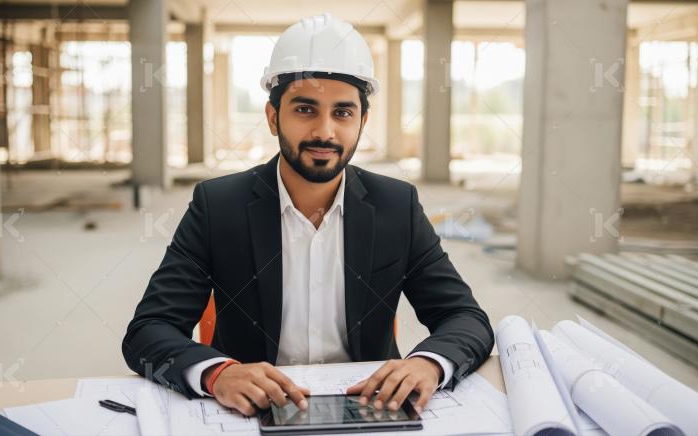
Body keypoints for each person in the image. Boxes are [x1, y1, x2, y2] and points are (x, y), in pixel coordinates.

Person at [122, 12, 494, 417]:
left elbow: (464, 317)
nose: (325, 132)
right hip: (252, 413)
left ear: (362, 122)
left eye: (343, 112)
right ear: (272, 117)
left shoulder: (396, 206)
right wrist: (217, 374)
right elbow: (148, 331)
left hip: (368, 408)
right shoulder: (218, 206)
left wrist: (428, 363)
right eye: (305, 109)